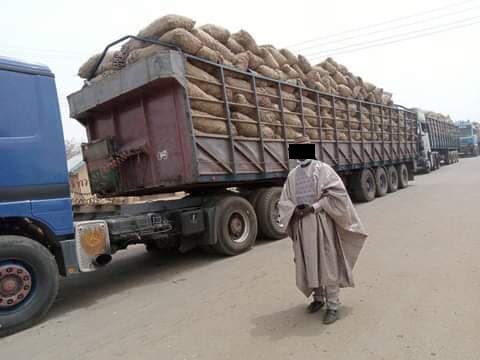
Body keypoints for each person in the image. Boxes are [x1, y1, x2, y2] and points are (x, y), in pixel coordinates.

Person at [278, 136, 368, 324]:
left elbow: (337, 195)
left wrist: (315, 207)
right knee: (309, 262)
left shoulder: (323, 170)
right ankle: (318, 298)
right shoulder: (292, 175)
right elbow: (284, 200)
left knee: (327, 262)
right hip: (302, 225)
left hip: (321, 224)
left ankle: (333, 306)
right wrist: (294, 209)